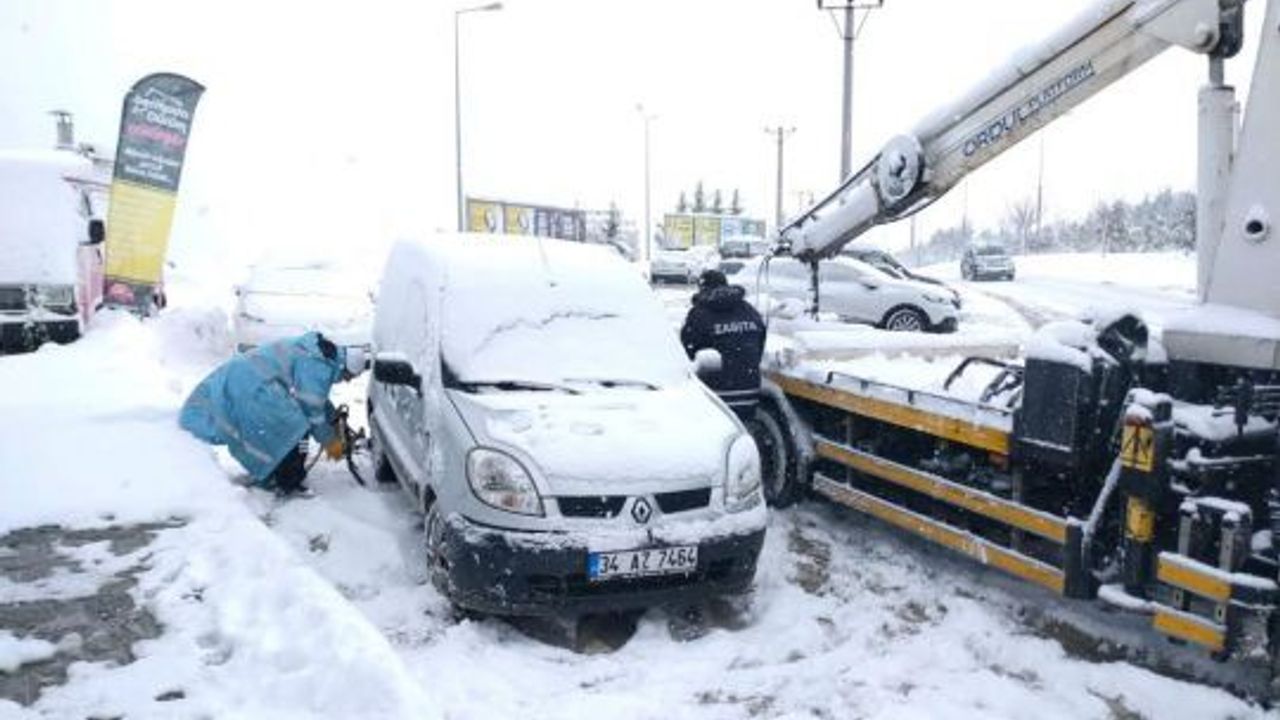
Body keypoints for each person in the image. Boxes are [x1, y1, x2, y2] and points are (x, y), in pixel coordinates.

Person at [179, 331, 368, 495]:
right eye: (348, 377)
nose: (347, 381)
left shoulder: (321, 354)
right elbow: (313, 412)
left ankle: (280, 471)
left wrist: (332, 418)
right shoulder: (319, 366)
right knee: (294, 430)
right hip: (254, 389)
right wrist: (332, 445)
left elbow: (317, 400)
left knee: (291, 427)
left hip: (248, 380)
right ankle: (287, 479)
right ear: (344, 367)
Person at [680, 269, 767, 420]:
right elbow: (759, 343)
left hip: (715, 397)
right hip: (750, 393)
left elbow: (689, 352)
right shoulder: (748, 310)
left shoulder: (699, 314)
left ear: (703, 288)